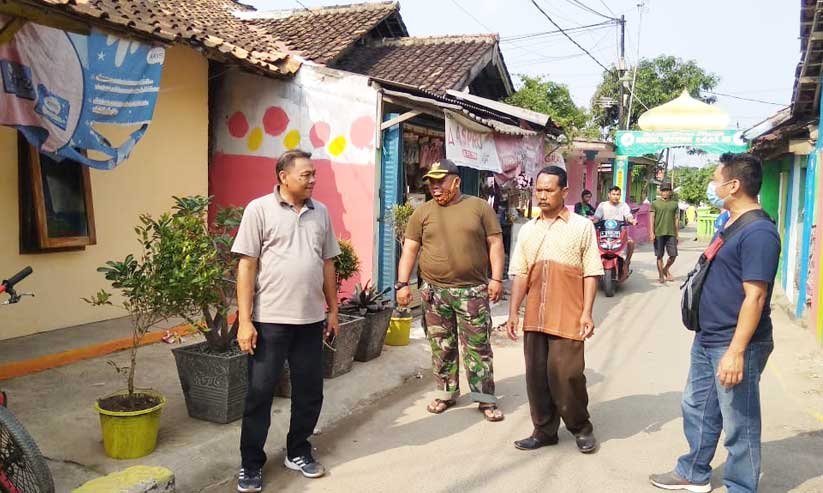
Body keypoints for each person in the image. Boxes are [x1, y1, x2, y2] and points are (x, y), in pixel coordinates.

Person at [650, 153, 781, 493]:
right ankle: (693, 472)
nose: (712, 185)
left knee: (740, 421)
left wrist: (736, 352)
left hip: (736, 343)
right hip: (708, 337)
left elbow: (755, 297)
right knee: (697, 407)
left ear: (733, 185)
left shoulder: (759, 233)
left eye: (715, 178)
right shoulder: (730, 221)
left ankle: (741, 486)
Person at [232, 149, 341, 492]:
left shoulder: (320, 212)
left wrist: (333, 309)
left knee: (310, 391)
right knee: (260, 394)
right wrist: (245, 321)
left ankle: (298, 451)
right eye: (306, 174)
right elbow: (246, 265)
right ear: (283, 176)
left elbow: (327, 263)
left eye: (314, 174)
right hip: (269, 321)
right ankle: (251, 464)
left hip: (310, 321)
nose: (313, 179)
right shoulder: (259, 209)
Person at [396, 159, 506, 422]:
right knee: (441, 346)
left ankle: (485, 397)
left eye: (440, 181)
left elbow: (495, 244)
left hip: (472, 292)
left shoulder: (479, 208)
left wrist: (497, 279)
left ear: (456, 181)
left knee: (477, 347)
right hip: (434, 293)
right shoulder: (422, 213)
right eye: (431, 182)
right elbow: (410, 249)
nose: (435, 187)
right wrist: (402, 284)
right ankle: (446, 393)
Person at [505, 165, 603, 454]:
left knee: (567, 375)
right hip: (535, 315)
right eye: (539, 190)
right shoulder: (527, 231)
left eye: (549, 190)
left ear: (564, 192)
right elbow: (520, 273)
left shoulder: (581, 227)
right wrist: (513, 313)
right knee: (536, 376)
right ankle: (544, 430)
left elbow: (592, 272)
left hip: (568, 313)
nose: (542, 195)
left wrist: (586, 312)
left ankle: (581, 428)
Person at [593, 186, 637, 275]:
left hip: (619, 234)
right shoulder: (602, 205)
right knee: (590, 243)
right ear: (609, 195)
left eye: (618, 194)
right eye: (613, 194)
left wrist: (632, 220)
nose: (616, 196)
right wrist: (592, 221)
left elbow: (628, 216)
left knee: (631, 242)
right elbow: (597, 217)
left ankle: (626, 262)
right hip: (603, 234)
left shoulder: (623, 205)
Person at [650, 183, 680, 283]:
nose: (665, 192)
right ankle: (661, 276)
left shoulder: (675, 204)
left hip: (671, 233)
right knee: (659, 255)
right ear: (660, 191)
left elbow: (676, 219)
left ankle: (665, 269)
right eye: (663, 190)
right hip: (658, 232)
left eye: (667, 190)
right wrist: (651, 232)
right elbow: (652, 218)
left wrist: (677, 234)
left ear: (670, 192)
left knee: (673, 255)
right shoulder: (655, 203)